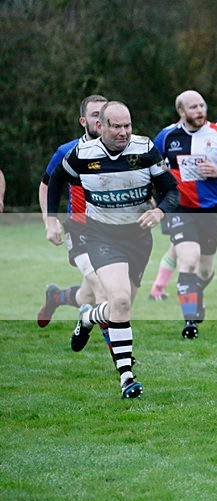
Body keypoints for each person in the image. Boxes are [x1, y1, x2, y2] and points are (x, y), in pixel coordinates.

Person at [46, 101, 179, 398]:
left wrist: (160, 211)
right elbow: (55, 180)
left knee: (122, 307)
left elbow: (171, 190)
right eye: (116, 126)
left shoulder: (146, 150)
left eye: (127, 125)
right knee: (119, 300)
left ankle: (87, 318)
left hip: (138, 238)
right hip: (101, 236)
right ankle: (127, 378)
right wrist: (52, 220)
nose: (123, 132)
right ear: (101, 126)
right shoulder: (82, 154)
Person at [154, 90, 217, 338]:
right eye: (193, 107)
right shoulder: (166, 136)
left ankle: (195, 292)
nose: (199, 111)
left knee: (204, 271)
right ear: (181, 111)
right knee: (188, 260)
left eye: (202, 106)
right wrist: (154, 197)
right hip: (179, 208)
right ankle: (189, 321)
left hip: (210, 210)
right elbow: (150, 167)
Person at [37, 95, 109, 329]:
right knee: (103, 289)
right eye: (95, 115)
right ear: (83, 121)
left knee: (87, 297)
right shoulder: (67, 151)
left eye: (104, 114)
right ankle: (121, 351)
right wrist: (50, 221)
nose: (101, 120)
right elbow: (46, 185)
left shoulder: (121, 150)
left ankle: (56, 297)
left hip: (110, 231)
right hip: (79, 229)